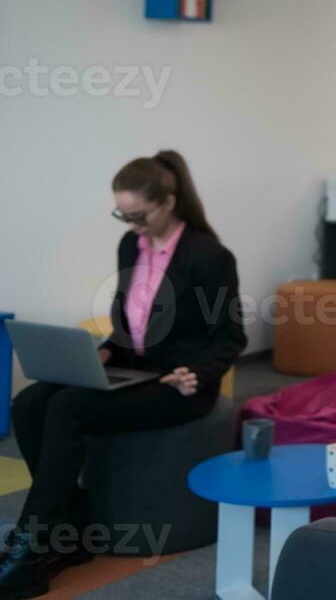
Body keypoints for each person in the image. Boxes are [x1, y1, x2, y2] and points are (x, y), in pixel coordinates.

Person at [2, 151, 245, 597]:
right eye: (123, 215)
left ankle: (33, 544)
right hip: (133, 370)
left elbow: (230, 337)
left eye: (139, 215)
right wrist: (106, 352)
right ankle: (70, 522)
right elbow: (128, 324)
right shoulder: (130, 245)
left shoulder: (209, 257)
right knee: (30, 402)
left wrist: (199, 372)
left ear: (168, 202)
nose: (131, 224)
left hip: (179, 383)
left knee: (69, 408)